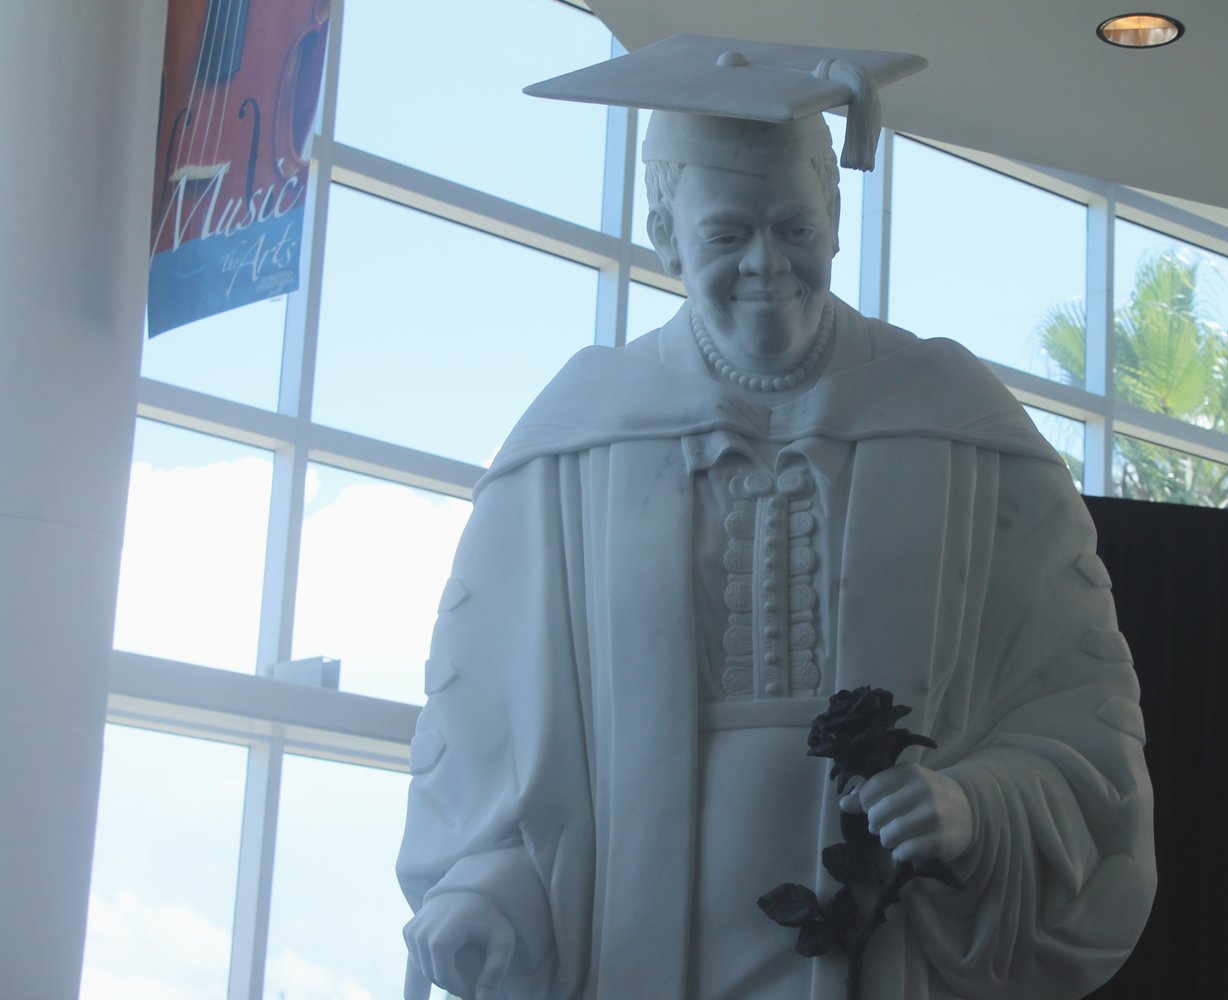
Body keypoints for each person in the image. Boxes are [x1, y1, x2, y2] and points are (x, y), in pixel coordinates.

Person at [399, 34, 1155, 1000]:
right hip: (644, 953)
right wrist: (489, 893)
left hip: (890, 947)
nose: (767, 264)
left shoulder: (959, 427)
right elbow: (503, 753)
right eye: (727, 234)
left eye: (794, 228)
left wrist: (976, 807)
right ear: (665, 232)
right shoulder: (573, 450)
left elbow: (1081, 723)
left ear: (836, 217)